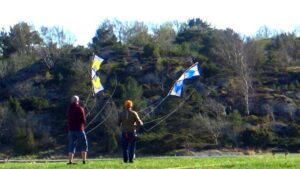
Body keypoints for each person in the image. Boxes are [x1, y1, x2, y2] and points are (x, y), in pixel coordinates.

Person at [67, 95, 88, 165]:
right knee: (84, 145)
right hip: (79, 129)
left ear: (71, 101)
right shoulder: (80, 109)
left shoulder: (69, 109)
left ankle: (70, 161)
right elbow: (84, 121)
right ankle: (84, 161)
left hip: (71, 130)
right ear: (77, 101)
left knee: (71, 146)